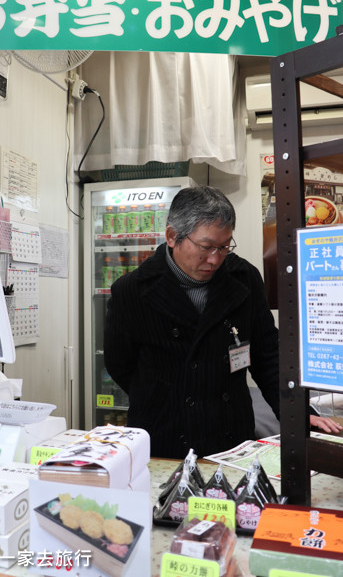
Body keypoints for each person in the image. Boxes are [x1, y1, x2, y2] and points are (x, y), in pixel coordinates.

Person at [104, 186, 342, 460]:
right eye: (206, 247)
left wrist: (295, 413)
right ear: (172, 236)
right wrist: (166, 396)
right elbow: (119, 365)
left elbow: (267, 355)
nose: (216, 259)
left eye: (224, 246)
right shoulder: (133, 290)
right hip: (165, 436)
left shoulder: (243, 279)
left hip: (230, 434)